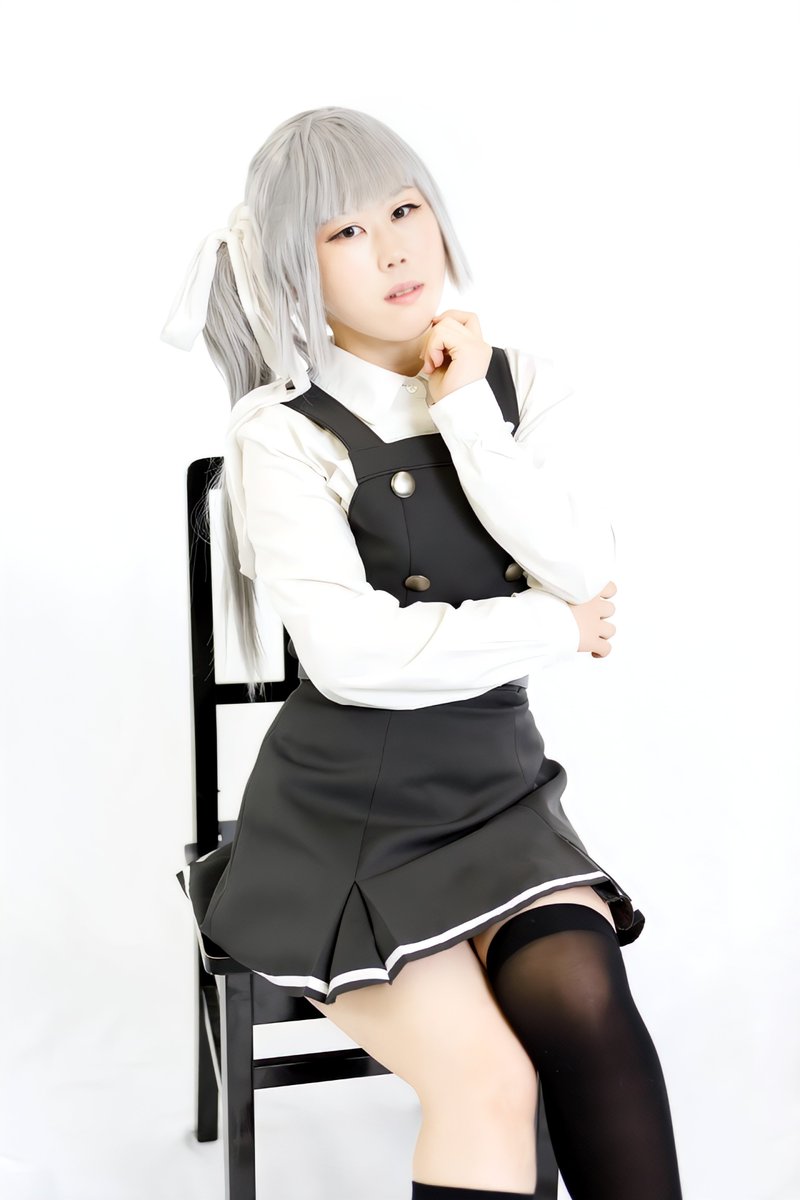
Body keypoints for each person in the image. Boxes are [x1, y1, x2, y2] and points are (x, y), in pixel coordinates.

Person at [161, 106, 683, 1199]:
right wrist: (550, 628)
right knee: (489, 1084)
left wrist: (467, 415)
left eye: (403, 210)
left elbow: (584, 565)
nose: (393, 248)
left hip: (498, 800)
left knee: (587, 1006)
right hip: (345, 825)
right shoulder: (282, 431)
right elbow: (354, 658)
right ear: (291, 267)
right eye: (345, 231)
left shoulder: (522, 386)